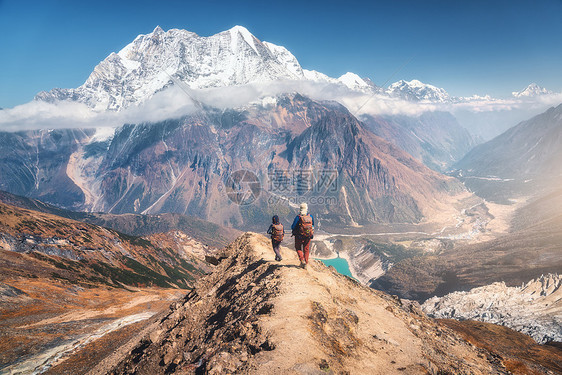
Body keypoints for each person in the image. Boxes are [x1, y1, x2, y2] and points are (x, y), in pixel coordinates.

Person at [291, 203, 314, 269]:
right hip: (308, 236)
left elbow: (293, 227)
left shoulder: (298, 217)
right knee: (306, 249)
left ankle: (302, 260)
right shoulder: (311, 216)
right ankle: (306, 263)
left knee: (298, 248)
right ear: (307, 208)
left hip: (299, 236)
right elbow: (313, 225)